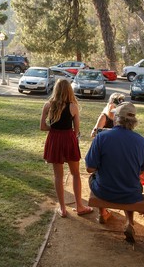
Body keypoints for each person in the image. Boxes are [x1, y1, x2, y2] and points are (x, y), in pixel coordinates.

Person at [85, 102, 144, 243]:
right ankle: (130, 222)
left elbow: (90, 168)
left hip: (105, 190)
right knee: (130, 181)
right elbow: (142, 170)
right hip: (131, 192)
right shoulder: (142, 142)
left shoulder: (102, 137)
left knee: (93, 177)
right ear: (134, 121)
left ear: (116, 119)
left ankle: (102, 213)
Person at [40, 78, 93, 218]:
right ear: (69, 90)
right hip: (68, 139)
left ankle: (63, 208)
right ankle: (80, 206)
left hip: (54, 140)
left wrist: (55, 128)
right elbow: (76, 130)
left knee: (58, 176)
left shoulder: (48, 105)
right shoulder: (73, 107)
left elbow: (42, 127)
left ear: (56, 90)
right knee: (75, 173)